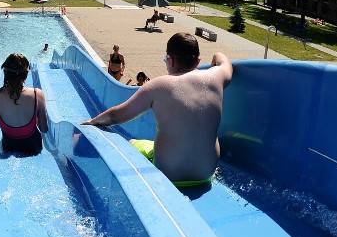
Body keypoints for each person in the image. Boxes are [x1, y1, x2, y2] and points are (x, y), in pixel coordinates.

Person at [82, 32, 233, 186]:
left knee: (131, 142)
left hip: (168, 175)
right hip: (206, 174)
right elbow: (224, 61)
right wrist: (215, 57)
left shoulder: (158, 85)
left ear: (171, 60)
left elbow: (116, 115)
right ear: (198, 61)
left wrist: (93, 121)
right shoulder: (216, 77)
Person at [0, 53, 49, 156]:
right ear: (26, 74)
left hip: (9, 146)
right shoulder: (37, 94)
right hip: (33, 147)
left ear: (5, 72)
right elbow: (44, 129)